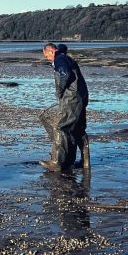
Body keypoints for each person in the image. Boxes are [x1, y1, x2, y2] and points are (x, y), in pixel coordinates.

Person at [40, 43, 90, 172]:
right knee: (77, 129)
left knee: (60, 127)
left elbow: (65, 74)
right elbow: (63, 47)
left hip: (72, 97)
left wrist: (60, 91)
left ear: (51, 51)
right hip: (81, 95)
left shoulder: (59, 59)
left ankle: (56, 162)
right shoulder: (64, 57)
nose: (47, 59)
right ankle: (81, 162)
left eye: (47, 56)